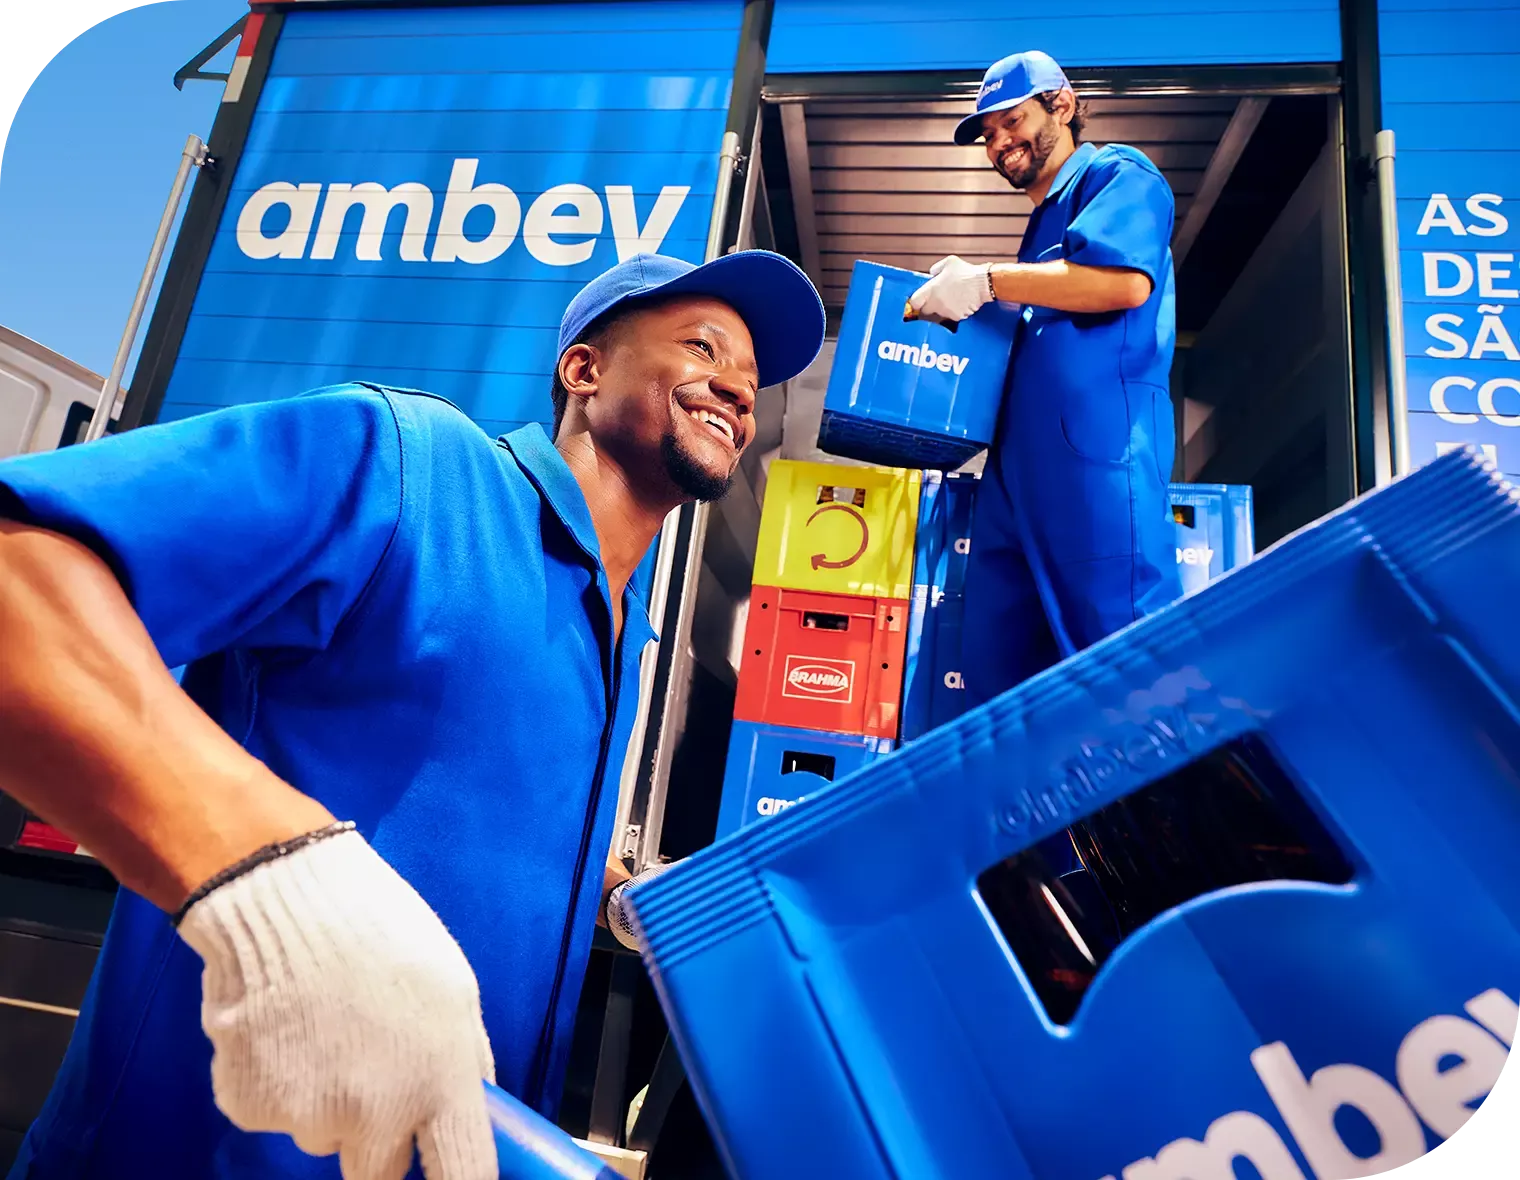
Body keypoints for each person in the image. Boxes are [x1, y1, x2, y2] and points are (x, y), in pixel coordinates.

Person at [0, 250, 825, 1180]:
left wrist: (625, 898)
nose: (733, 387)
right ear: (584, 371)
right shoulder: (411, 469)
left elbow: (480, 813)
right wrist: (266, 870)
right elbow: (18, 578)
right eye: (702, 347)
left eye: (752, 381)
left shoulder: (622, 629)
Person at [908, 49, 1183, 706]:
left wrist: (985, 281)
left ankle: (1159, 811)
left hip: (1097, 466)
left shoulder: (1117, 174)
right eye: (988, 133)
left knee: (1124, 665)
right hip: (1016, 486)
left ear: (1062, 104)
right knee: (1003, 678)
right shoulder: (1041, 231)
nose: (999, 142)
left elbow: (1123, 282)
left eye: (1011, 120)